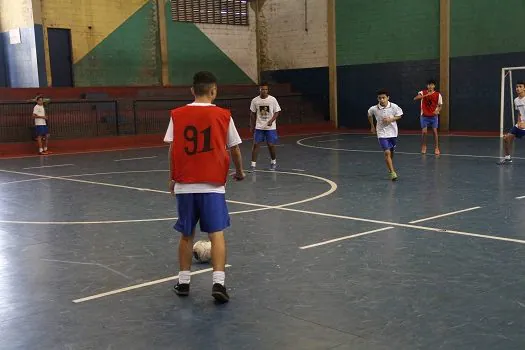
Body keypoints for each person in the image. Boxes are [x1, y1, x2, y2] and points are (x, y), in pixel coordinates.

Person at [163, 71, 245, 303]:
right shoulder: (223, 115)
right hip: (213, 186)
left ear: (192, 90)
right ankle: (218, 282)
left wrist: (172, 177)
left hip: (185, 185)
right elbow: (235, 148)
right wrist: (239, 172)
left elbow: (172, 149)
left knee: (186, 235)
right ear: (213, 91)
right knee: (216, 235)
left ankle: (183, 282)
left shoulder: (177, 115)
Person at [368, 89, 404, 181]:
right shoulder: (374, 108)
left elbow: (399, 115)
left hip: (393, 132)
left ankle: (389, 165)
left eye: (383, 98)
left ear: (388, 98)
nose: (382, 100)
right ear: (377, 99)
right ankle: (392, 172)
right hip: (381, 133)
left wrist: (391, 119)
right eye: (380, 98)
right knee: (387, 152)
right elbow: (369, 115)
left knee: (391, 151)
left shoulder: (394, 106)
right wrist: (372, 126)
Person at [249, 82, 281, 171]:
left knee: (271, 145)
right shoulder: (255, 100)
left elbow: (277, 111)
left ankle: (273, 162)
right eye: (262, 89)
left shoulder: (272, 100)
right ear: (259, 90)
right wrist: (252, 125)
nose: (264, 91)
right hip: (259, 127)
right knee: (256, 145)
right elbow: (252, 114)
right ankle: (253, 165)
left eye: (266, 89)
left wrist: (271, 120)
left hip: (270, 128)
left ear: (268, 90)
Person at [413, 79, 443, 155]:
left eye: (432, 85)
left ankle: (436, 147)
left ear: (434, 86)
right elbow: (415, 98)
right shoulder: (422, 92)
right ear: (427, 86)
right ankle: (424, 146)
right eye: (429, 85)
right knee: (424, 132)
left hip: (433, 116)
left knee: (435, 132)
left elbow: (440, 105)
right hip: (424, 116)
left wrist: (437, 111)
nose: (430, 86)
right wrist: (425, 95)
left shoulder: (438, 94)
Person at [498, 81, 525, 164]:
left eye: (520, 86)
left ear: (524, 88)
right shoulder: (516, 100)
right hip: (520, 124)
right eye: (517, 87)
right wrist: (519, 122)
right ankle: (507, 158)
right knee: (506, 138)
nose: (518, 88)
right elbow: (519, 113)